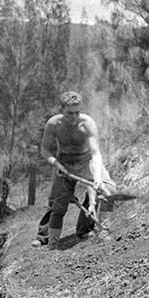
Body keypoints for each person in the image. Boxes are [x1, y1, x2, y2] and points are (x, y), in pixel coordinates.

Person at [33, 91, 116, 249]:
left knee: (108, 189)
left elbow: (95, 153)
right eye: (70, 113)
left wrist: (97, 178)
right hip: (64, 162)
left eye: (77, 112)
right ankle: (49, 240)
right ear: (62, 110)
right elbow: (45, 150)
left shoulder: (87, 124)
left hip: (86, 161)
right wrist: (57, 165)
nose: (74, 117)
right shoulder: (53, 124)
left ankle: (99, 230)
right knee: (58, 203)